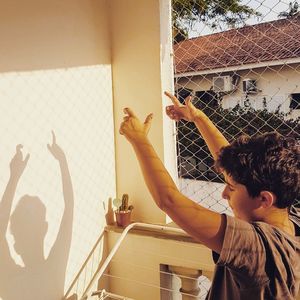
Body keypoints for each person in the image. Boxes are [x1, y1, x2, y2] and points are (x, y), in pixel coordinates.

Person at [119, 92, 300, 300]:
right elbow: (230, 166)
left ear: (265, 199)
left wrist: (139, 139)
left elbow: (169, 200)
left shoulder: (259, 248)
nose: (224, 194)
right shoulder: (289, 220)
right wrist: (198, 118)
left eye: (231, 188)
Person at [0, 132, 74, 300]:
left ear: (16, 245)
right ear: (45, 229)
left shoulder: (8, 281)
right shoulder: (54, 271)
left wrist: (13, 178)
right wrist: (62, 162)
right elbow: (69, 208)